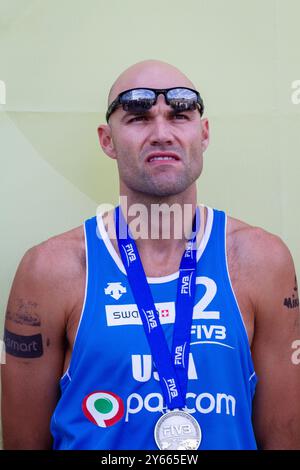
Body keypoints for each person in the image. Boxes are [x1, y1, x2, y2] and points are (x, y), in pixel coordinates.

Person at [1, 60, 300, 450]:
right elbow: (23, 442)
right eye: (138, 118)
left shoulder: (262, 261)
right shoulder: (51, 270)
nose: (162, 133)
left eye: (179, 116)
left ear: (204, 134)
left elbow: (284, 437)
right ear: (107, 140)